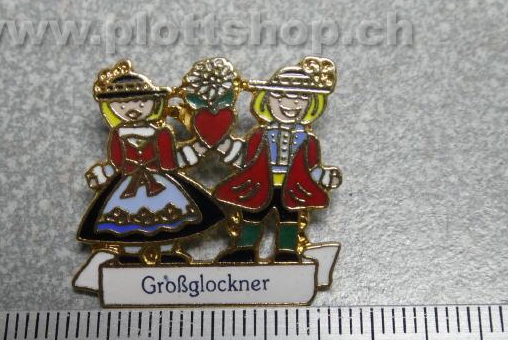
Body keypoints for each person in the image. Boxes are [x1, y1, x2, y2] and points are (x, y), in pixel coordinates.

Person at [77, 60, 224, 265]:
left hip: (161, 185)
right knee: (128, 225)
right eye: (122, 105)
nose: (133, 109)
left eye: (141, 103)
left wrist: (197, 149)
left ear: (154, 103)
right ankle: (130, 255)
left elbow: (171, 161)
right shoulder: (118, 134)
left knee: (169, 222)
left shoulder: (161, 132)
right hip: (127, 187)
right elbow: (117, 163)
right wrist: (102, 175)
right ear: (111, 108)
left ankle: (168, 253)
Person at [214, 57, 342, 263]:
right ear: (266, 100)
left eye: (301, 98)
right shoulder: (259, 135)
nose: (290, 104)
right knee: (252, 217)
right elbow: (244, 157)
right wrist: (222, 145)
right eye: (280, 96)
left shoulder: (308, 140)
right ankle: (244, 250)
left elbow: (312, 168)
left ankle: (287, 252)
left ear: (311, 105)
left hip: (292, 189)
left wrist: (326, 177)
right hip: (259, 184)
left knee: (289, 220)